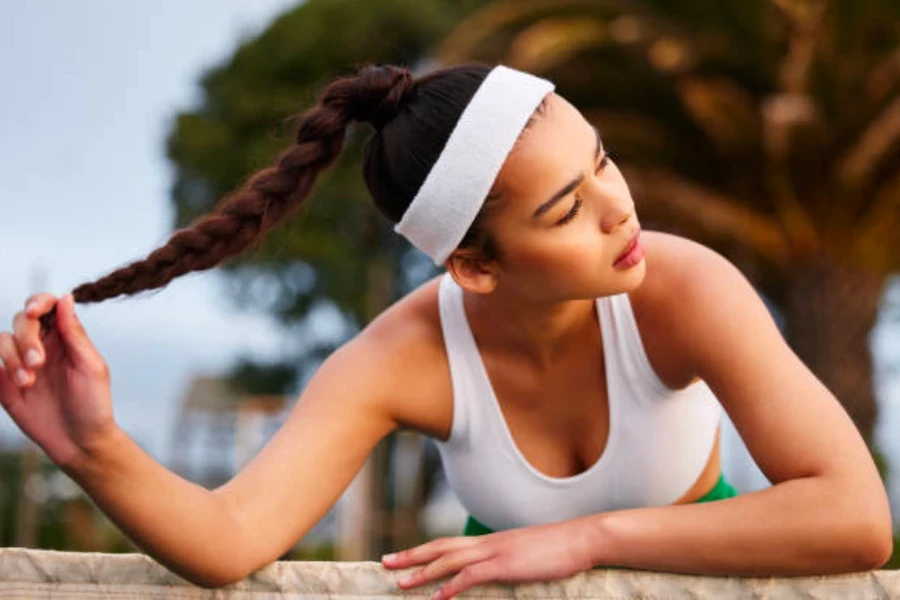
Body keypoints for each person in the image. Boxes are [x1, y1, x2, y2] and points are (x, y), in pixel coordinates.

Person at [0, 62, 891, 598]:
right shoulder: (403, 356)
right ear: (474, 267)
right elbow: (232, 539)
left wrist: (586, 539)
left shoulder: (683, 287)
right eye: (565, 209)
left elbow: (855, 516)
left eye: (603, 161)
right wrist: (92, 449)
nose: (620, 212)